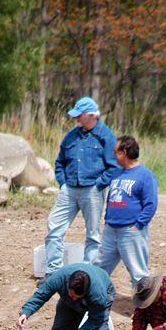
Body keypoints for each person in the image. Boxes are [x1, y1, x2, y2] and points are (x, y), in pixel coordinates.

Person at [41, 96, 119, 284]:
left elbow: (114, 165)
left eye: (79, 115)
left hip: (92, 189)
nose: (76, 119)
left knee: (92, 234)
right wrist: (63, 183)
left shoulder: (106, 136)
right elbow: (60, 162)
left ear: (91, 116)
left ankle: (88, 273)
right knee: (54, 227)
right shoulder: (71, 135)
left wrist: (100, 184)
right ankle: (53, 273)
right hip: (69, 189)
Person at [97, 135, 158, 286]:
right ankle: (93, 300)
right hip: (111, 229)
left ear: (124, 152)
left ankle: (143, 307)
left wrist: (138, 225)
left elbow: (151, 204)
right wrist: (107, 219)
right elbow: (111, 197)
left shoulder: (145, 175)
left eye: (115, 151)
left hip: (131, 230)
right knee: (99, 268)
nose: (113, 155)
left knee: (138, 273)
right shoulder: (117, 173)